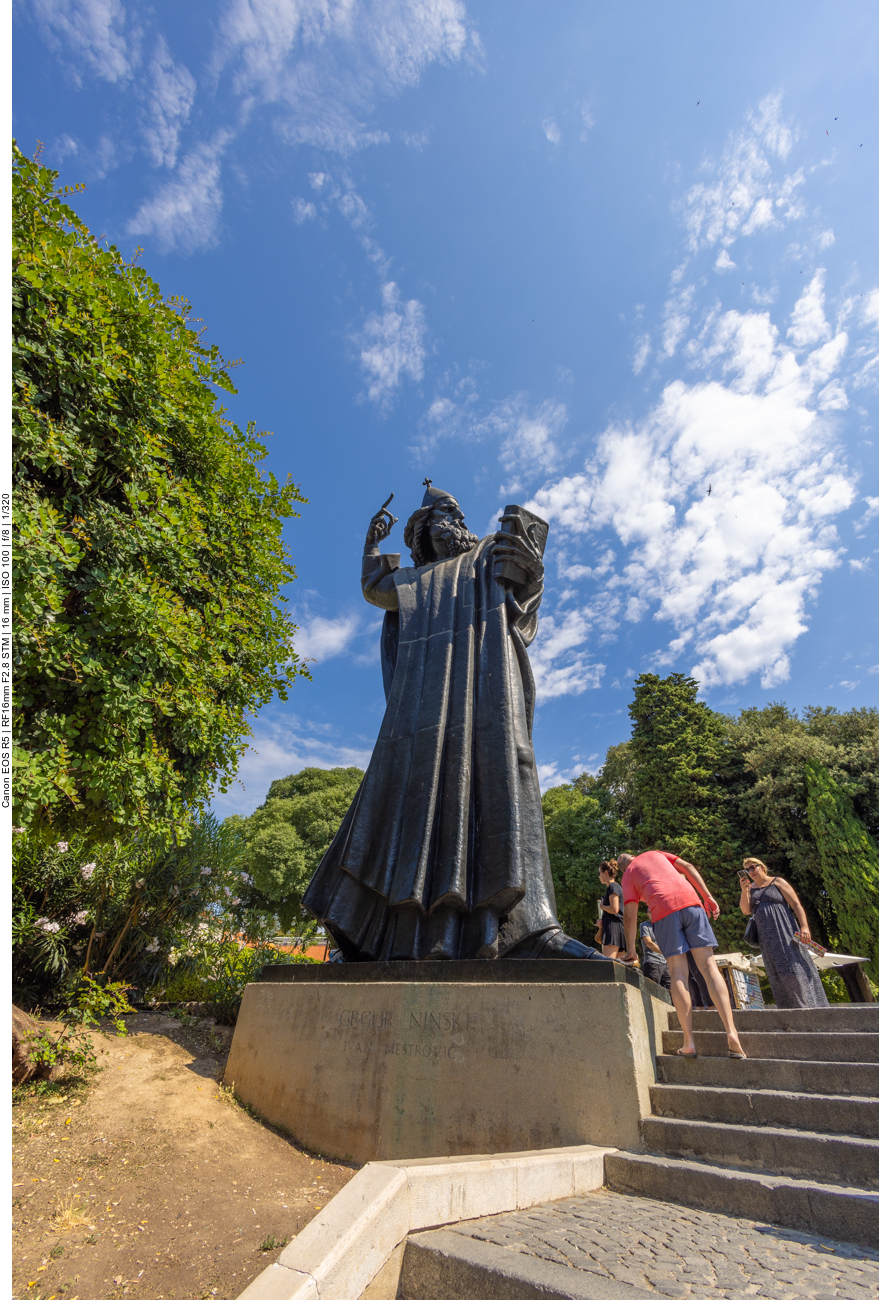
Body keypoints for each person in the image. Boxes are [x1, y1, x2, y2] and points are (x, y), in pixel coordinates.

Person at [302, 483, 606, 962]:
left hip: (488, 691)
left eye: (460, 513)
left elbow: (523, 588)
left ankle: (529, 928)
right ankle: (376, 936)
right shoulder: (418, 580)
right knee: (410, 798)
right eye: (447, 513)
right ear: (426, 528)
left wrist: (531, 571)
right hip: (422, 708)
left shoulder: (487, 553)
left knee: (507, 775)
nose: (458, 521)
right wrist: (371, 546)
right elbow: (376, 590)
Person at [619, 849, 746, 1059]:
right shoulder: (656, 853)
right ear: (634, 855)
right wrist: (708, 896)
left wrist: (631, 951)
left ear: (623, 867)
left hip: (663, 911)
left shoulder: (628, 874)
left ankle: (689, 1043)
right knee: (709, 966)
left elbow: (630, 917)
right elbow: (688, 867)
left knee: (678, 973)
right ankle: (732, 1034)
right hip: (692, 903)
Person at [739, 858, 829, 1009]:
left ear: (762, 867)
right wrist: (745, 891)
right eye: (747, 870)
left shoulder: (778, 882)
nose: (750, 872)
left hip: (786, 930)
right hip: (766, 938)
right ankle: (789, 1007)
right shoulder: (750, 889)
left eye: (753, 867)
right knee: (776, 970)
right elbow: (746, 911)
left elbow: (796, 904)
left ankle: (810, 1005)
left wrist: (804, 927)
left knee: (795, 965)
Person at [599, 860, 625, 958]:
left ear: (605, 873)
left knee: (607, 964)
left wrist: (602, 907)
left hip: (613, 928)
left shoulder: (613, 886)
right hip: (617, 927)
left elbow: (614, 909)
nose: (598, 876)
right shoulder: (615, 887)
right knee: (620, 967)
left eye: (599, 873)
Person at [639, 919, 671, 990]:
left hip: (666, 964)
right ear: (648, 914)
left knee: (671, 991)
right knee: (652, 991)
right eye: (651, 911)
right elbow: (649, 943)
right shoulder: (644, 925)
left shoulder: (663, 926)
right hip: (652, 964)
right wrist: (665, 952)